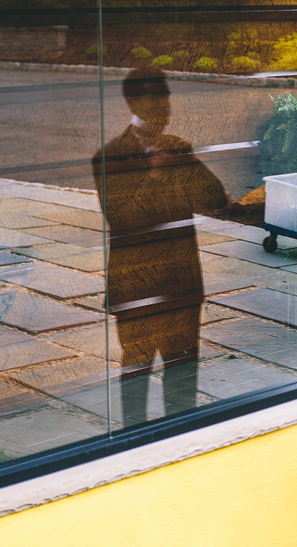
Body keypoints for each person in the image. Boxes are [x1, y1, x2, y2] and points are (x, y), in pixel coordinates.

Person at [92, 67, 228, 424]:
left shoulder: (178, 149)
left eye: (167, 94)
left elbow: (215, 198)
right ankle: (131, 439)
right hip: (135, 281)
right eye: (157, 95)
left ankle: (181, 436)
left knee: (182, 372)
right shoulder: (108, 156)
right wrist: (158, 173)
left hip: (180, 281)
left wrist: (182, 162)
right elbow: (122, 216)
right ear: (134, 102)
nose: (166, 103)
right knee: (136, 368)